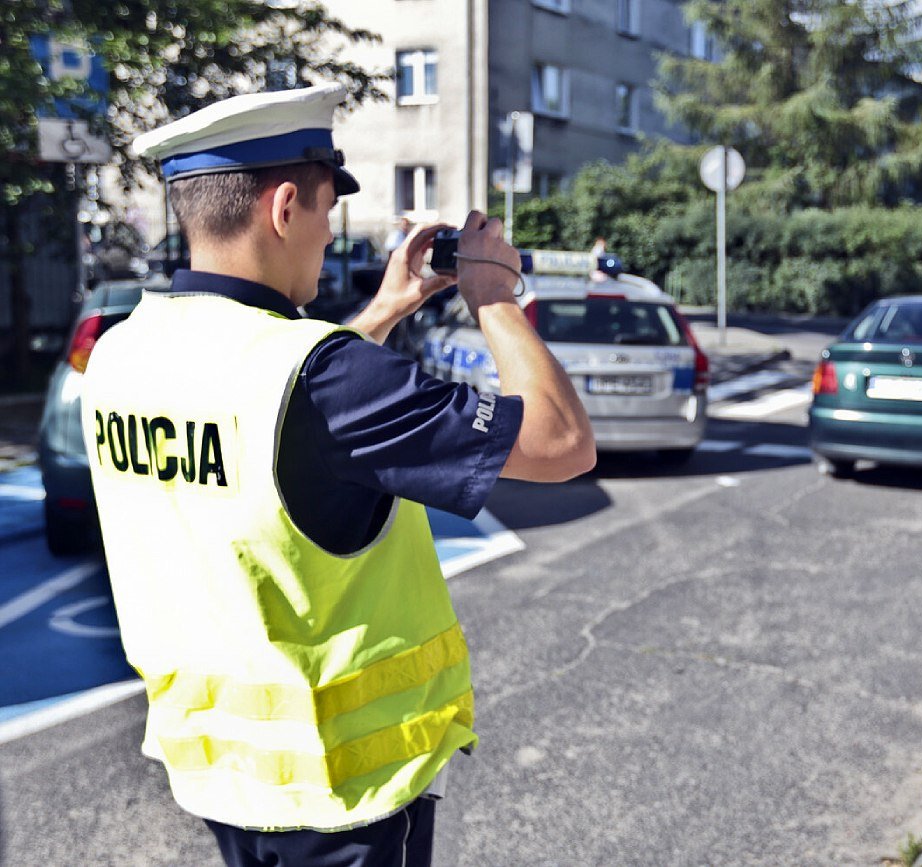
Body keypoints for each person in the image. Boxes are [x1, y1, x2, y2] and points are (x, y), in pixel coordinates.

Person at [81, 83, 595, 865]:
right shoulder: (326, 380)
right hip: (338, 794)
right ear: (285, 207)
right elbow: (562, 441)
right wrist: (495, 295)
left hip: (221, 778)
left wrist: (382, 311)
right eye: (326, 210)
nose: (328, 233)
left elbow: (272, 406)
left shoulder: (121, 352)